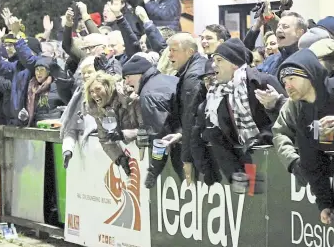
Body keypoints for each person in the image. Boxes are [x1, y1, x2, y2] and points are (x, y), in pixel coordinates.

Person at [272, 48, 334, 224]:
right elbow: (310, 156)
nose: (287, 86)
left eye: (291, 79)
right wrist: (294, 162)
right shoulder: (300, 109)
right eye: (284, 81)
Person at [202, 38, 286, 182]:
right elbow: (217, 136)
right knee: (253, 202)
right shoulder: (216, 94)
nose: (214, 65)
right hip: (247, 166)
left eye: (219, 60)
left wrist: (275, 105)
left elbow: (288, 120)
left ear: (234, 64)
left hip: (276, 162)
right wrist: (233, 174)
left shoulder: (263, 82)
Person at [122, 54, 183, 188]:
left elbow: (159, 136)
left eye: (127, 77)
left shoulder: (149, 94)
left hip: (185, 149)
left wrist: (154, 170)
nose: (126, 82)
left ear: (139, 74)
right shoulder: (169, 79)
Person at [161, 33, 206, 183]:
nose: (169, 55)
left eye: (174, 50)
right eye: (169, 50)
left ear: (189, 52)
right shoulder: (195, 68)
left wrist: (187, 159)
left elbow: (191, 117)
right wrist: (181, 135)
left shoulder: (192, 77)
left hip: (201, 150)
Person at [85, 71, 142, 176]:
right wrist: (119, 157)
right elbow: (105, 139)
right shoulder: (99, 111)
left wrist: (124, 134)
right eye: (91, 91)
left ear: (108, 87)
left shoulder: (131, 98)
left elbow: (148, 129)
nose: (94, 94)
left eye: (98, 89)